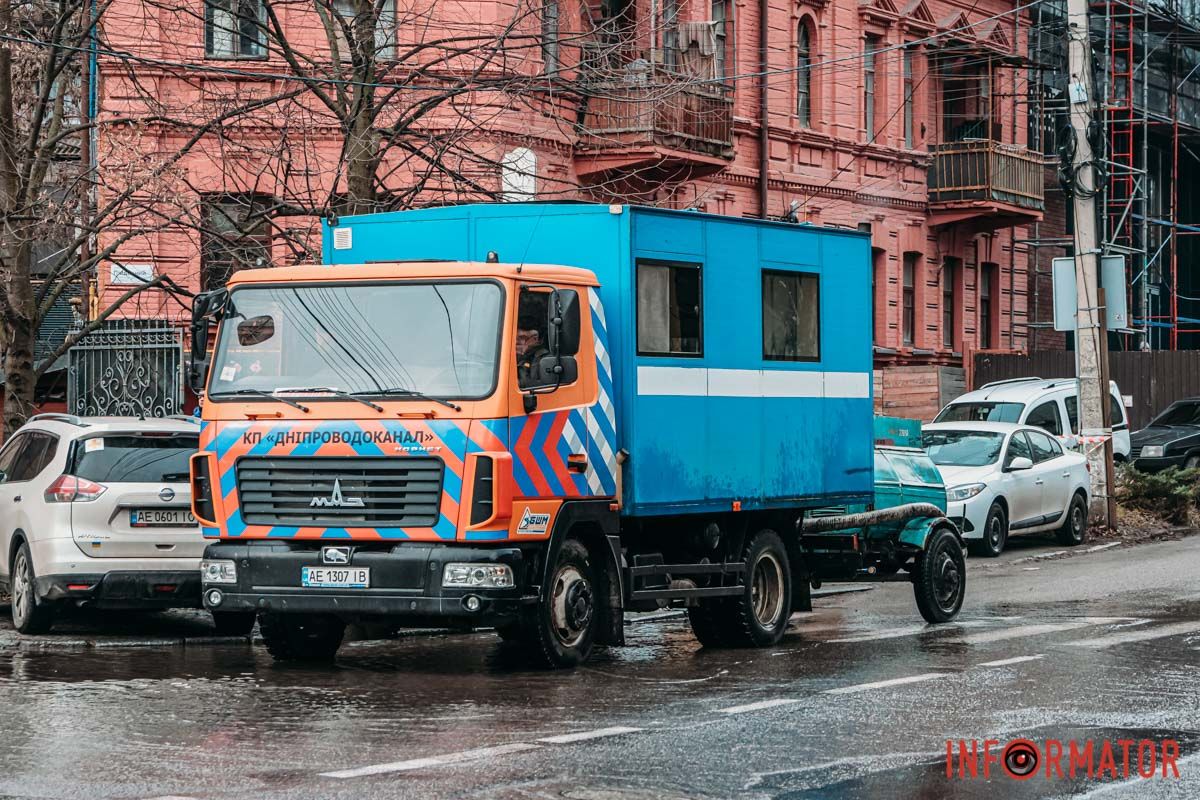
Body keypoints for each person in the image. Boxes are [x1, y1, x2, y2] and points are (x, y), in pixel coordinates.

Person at [516, 312, 551, 389]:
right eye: (515, 338)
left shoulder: (545, 360)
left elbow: (543, 386)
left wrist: (518, 383)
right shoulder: (507, 355)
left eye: (522, 338)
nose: (516, 342)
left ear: (535, 339)